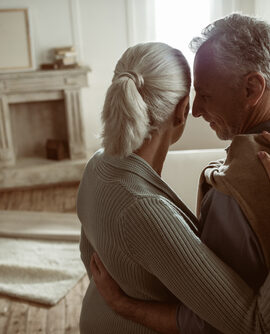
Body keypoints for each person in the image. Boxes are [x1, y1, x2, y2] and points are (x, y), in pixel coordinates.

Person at [77, 40, 270, 334]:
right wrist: (127, 307)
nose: (196, 110)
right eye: (196, 96)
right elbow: (251, 325)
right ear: (181, 110)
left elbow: (89, 255)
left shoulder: (97, 164)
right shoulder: (145, 210)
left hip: (93, 318)